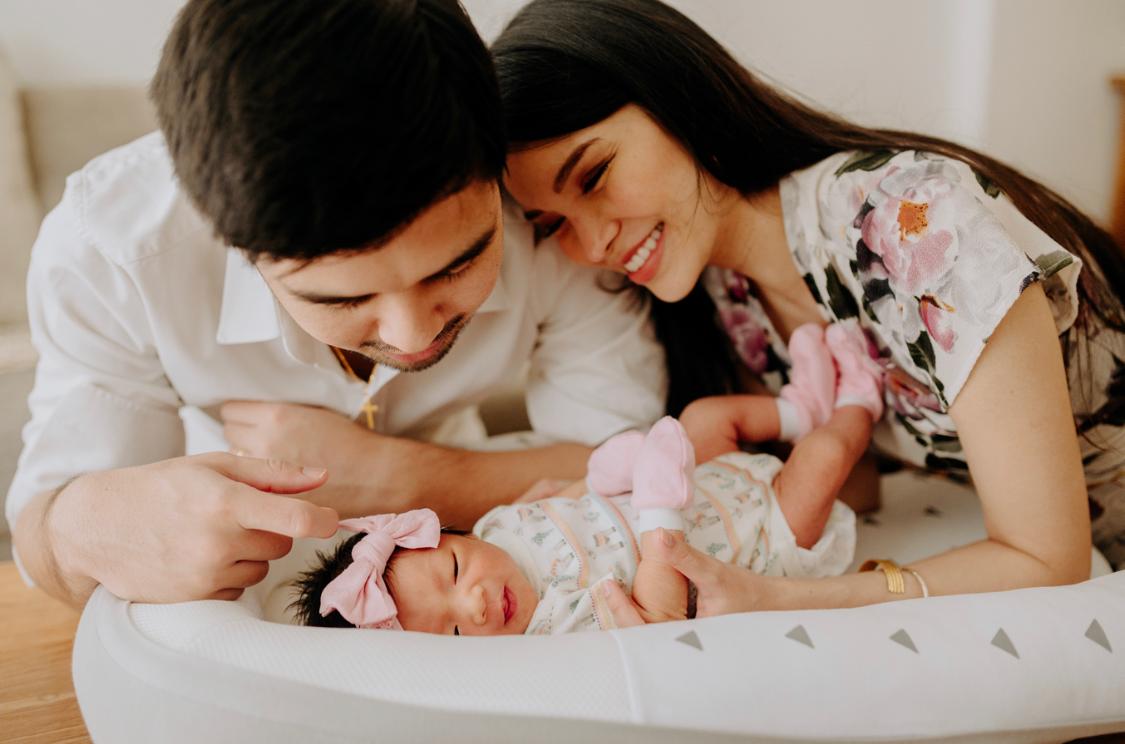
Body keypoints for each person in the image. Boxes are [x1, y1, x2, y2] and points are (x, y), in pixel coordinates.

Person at [6, 0, 668, 609]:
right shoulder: (115, 251)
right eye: (343, 297)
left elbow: (630, 458)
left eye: (458, 265)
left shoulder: (550, 206)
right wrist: (83, 528)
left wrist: (401, 479)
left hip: (495, 570)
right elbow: (43, 535)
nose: (411, 337)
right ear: (231, 241)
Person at [492, 0, 1125, 617]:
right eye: (554, 224)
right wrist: (597, 516)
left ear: (673, 94)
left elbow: (1047, 560)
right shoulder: (728, 299)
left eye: (596, 175)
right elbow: (853, 487)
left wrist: (781, 601)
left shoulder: (914, 221)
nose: (595, 240)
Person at [292, 326, 885, 634]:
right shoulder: (554, 622)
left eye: (452, 571)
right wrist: (656, 519)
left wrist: (607, 474)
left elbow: (562, 494)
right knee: (824, 460)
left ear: (453, 534)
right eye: (451, 633)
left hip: (697, 482)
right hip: (760, 538)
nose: (472, 604)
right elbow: (659, 618)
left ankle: (798, 408)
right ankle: (857, 399)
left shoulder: (498, 526)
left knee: (704, 417)